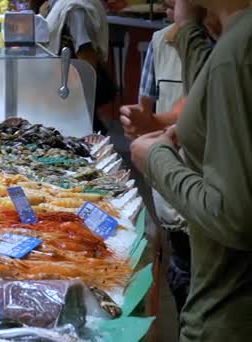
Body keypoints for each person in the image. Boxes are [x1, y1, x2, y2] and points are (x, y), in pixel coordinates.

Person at [130, 0, 252, 339]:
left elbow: (233, 216)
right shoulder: (235, 40)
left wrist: (155, 159)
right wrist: (189, 27)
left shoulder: (239, 49)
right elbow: (212, 91)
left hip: (228, 316)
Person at [119, 0, 219, 315]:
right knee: (182, 279)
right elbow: (170, 108)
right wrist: (148, 123)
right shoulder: (162, 42)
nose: (168, 8)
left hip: (210, 211)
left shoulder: (228, 51)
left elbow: (203, 108)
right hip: (173, 204)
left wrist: (157, 146)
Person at [39, 0, 115, 134]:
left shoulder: (75, 8)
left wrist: (83, 94)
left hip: (71, 84)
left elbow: (85, 52)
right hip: (65, 82)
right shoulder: (61, 4)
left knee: (82, 132)